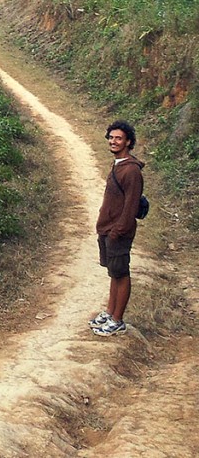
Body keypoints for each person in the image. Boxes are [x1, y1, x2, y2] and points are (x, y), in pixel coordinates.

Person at [90, 120, 144, 336]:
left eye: (118, 138)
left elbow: (131, 206)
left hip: (118, 232)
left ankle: (118, 320)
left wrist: (117, 231)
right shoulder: (118, 164)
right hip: (107, 229)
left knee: (121, 273)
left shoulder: (131, 171)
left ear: (128, 141)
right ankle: (110, 312)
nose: (113, 141)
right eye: (111, 137)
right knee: (114, 273)